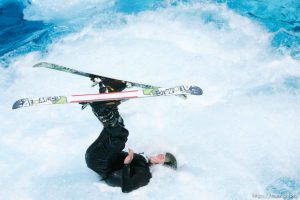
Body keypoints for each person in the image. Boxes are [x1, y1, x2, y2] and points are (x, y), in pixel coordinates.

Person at [84, 82, 177, 193]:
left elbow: (126, 187)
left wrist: (126, 165)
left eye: (165, 159)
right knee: (116, 128)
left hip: (99, 161)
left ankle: (101, 107)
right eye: (165, 154)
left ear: (161, 167)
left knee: (120, 136)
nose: (162, 155)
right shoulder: (143, 162)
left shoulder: (145, 175)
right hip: (98, 158)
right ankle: (109, 96)